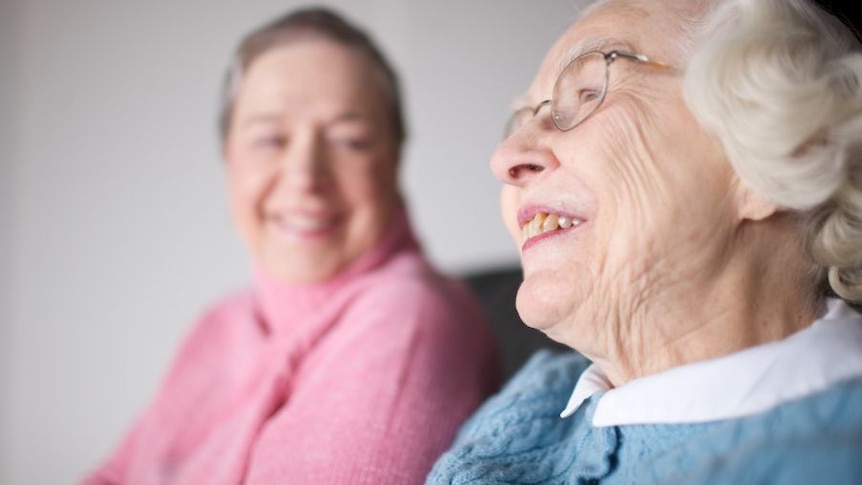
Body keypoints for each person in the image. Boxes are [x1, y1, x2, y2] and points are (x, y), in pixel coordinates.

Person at [427, 0, 862, 483]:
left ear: (789, 146)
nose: (505, 157)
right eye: (524, 117)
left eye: (589, 91)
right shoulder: (535, 400)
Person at [81, 6, 500, 484]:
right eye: (270, 139)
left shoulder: (410, 316)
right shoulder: (219, 325)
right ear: (228, 159)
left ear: (395, 160)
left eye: (350, 140)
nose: (305, 177)